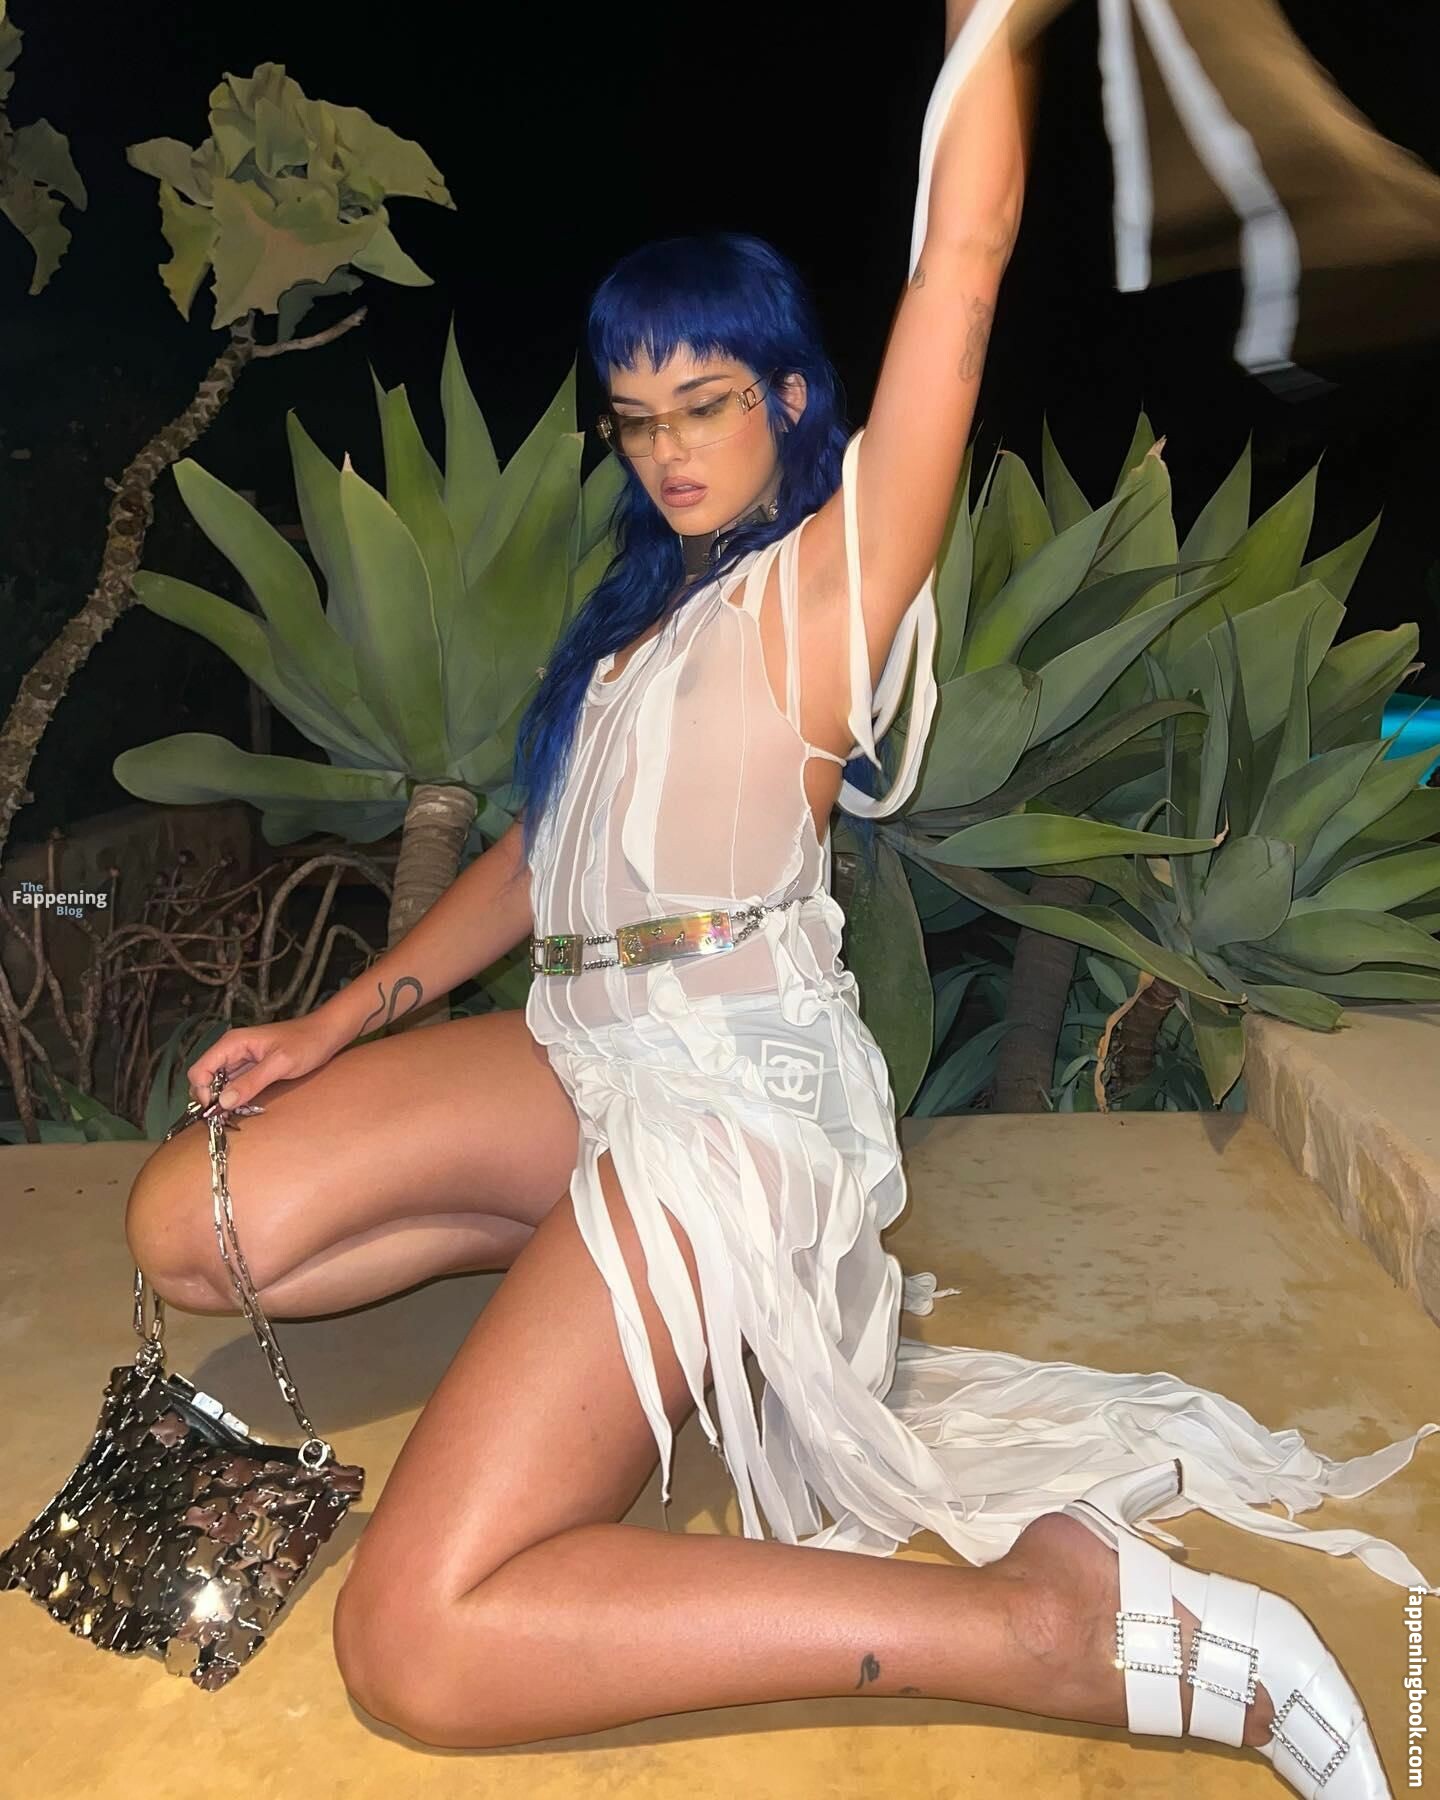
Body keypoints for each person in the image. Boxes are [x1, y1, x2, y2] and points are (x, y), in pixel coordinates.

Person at [125, 0, 1435, 1786]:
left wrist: (992, 34)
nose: (670, 451)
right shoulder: (640, 624)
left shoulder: (825, 585)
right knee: (192, 1222)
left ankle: (1047, 1625)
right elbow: (540, 856)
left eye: (710, 405)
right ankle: (638, 1295)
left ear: (791, 400)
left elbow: (963, 258)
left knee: (415, 1641)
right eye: (638, 419)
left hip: (731, 1100)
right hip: (586, 1055)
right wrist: (333, 1020)